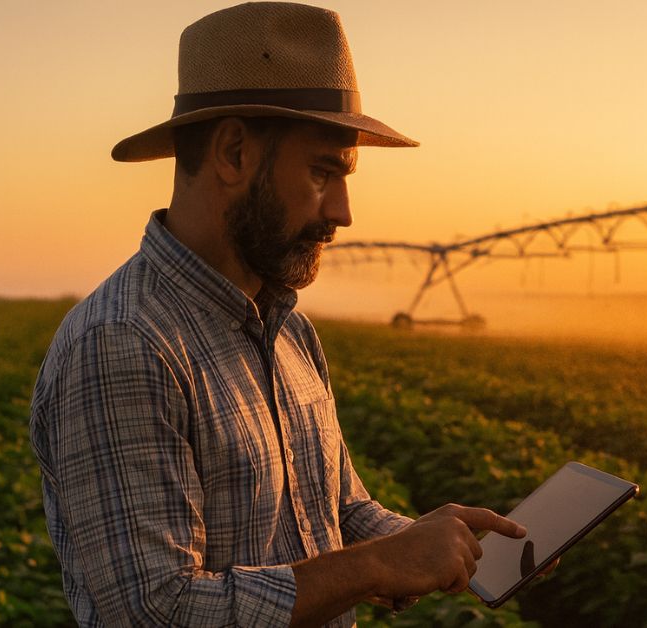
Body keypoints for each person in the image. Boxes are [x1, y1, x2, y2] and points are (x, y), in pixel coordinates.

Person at [28, 3, 528, 626]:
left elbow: (337, 513)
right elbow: (158, 609)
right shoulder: (125, 342)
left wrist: (446, 543)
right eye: (324, 173)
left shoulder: (289, 330)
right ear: (234, 152)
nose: (343, 212)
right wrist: (377, 567)